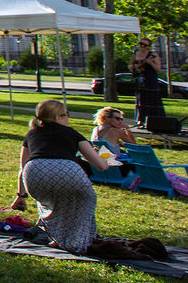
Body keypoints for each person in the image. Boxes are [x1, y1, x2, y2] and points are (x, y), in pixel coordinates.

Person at [10, 99, 117, 255]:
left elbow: (22, 167)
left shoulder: (32, 134)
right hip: (66, 170)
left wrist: (21, 195)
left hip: (34, 173)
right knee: (85, 201)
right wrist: (107, 161)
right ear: (58, 117)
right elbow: (100, 165)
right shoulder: (71, 133)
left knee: (48, 203)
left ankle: (55, 237)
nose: (68, 118)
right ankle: (76, 241)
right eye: (66, 115)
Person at [130, 39, 165, 129]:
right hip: (140, 79)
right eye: (141, 44)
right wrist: (134, 67)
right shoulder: (136, 54)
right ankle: (140, 120)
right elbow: (131, 65)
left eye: (144, 45)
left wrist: (151, 63)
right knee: (141, 100)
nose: (142, 46)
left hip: (151, 80)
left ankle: (154, 121)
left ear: (148, 46)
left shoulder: (153, 55)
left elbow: (159, 69)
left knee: (152, 99)